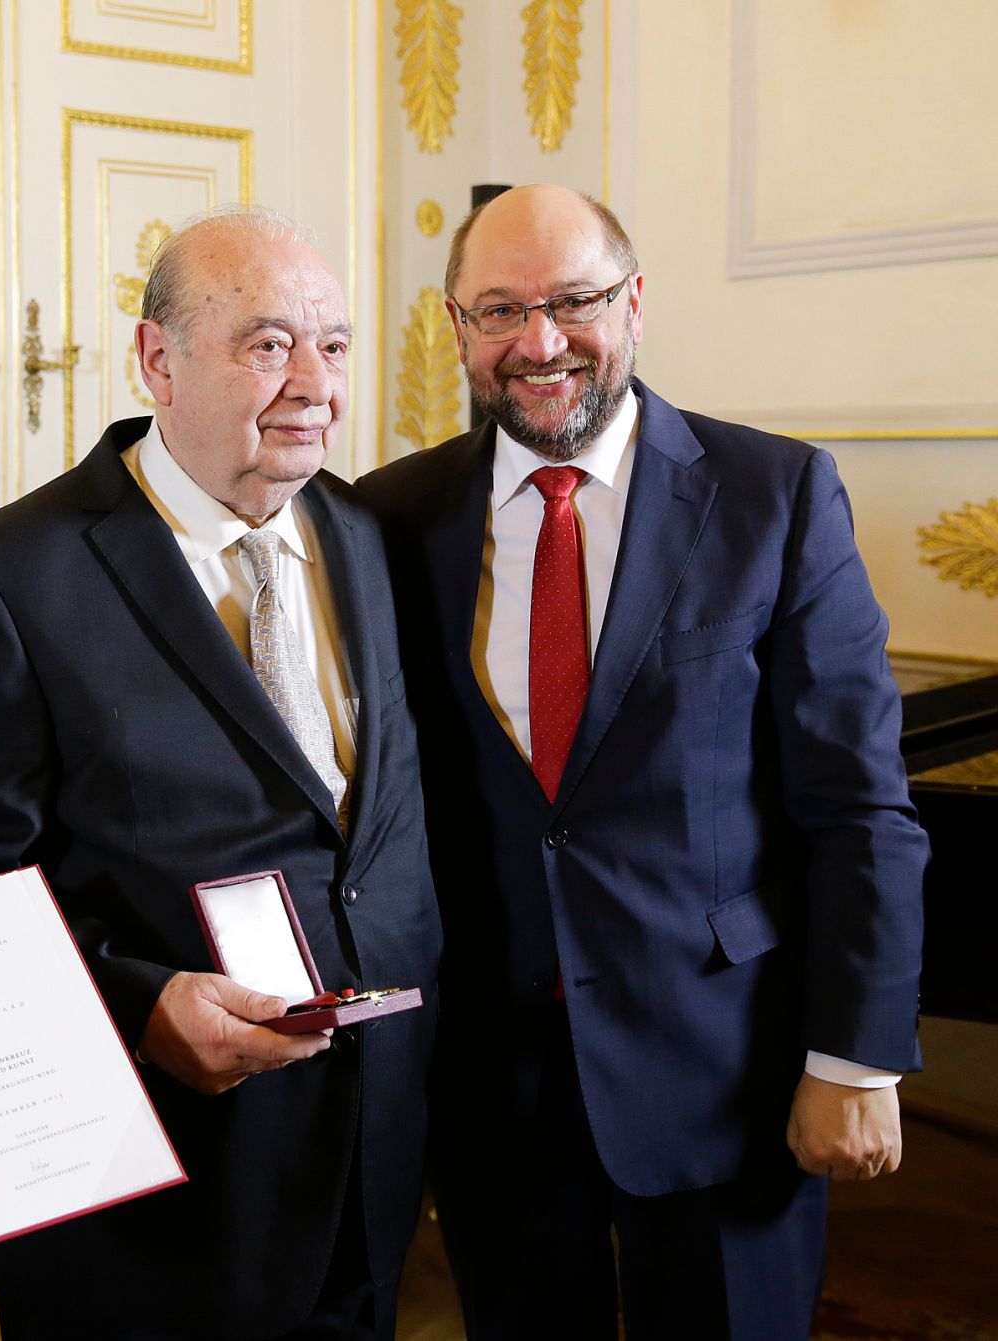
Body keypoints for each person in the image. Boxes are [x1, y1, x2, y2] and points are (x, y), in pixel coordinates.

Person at [358, 184, 928, 1340]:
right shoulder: (388, 517)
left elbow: (856, 806)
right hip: (492, 1082)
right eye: (498, 310)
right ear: (455, 325)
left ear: (632, 301)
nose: (539, 342)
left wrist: (854, 1055)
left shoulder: (773, 495)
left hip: (727, 1069)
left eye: (572, 301)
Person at [0, 206, 441, 1341]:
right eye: (264, 343)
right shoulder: (6, 576)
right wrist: (136, 1006)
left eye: (333, 345)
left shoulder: (367, 535)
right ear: (156, 358)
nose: (311, 382)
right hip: (145, 1193)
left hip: (365, 1154)